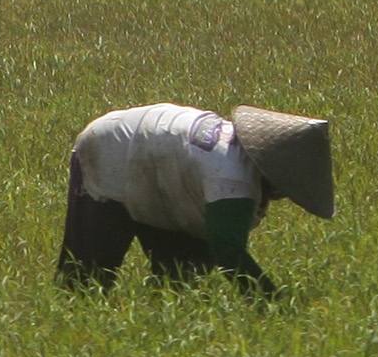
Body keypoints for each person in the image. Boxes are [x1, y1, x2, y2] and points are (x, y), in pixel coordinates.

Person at [59, 104, 332, 291]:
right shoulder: (231, 177)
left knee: (182, 278)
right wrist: (270, 299)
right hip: (110, 146)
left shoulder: (232, 157)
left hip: (164, 161)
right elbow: (227, 249)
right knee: (88, 275)